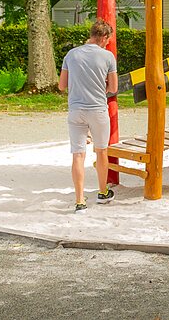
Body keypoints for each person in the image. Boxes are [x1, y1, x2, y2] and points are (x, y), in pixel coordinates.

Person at [58, 20, 118, 212]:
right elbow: (114, 88)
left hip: (76, 110)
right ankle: (102, 192)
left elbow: (62, 85)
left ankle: (79, 201)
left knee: (78, 154)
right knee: (101, 151)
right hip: (97, 109)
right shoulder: (108, 56)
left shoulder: (71, 54)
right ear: (104, 37)